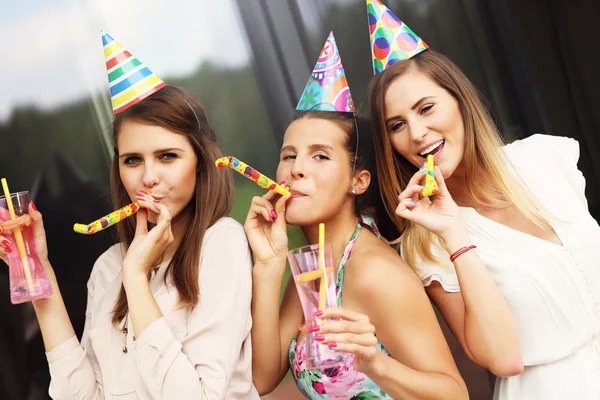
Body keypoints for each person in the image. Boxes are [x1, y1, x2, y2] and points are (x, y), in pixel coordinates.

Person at [0, 31, 258, 399]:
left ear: (201, 164)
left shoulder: (222, 242)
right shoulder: (108, 266)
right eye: (132, 160)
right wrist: (38, 269)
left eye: (167, 156)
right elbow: (80, 394)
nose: (148, 177)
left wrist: (136, 279)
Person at [366, 1, 600, 398]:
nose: (418, 133)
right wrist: (455, 233)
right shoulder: (426, 244)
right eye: (397, 126)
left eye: (426, 108)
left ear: (459, 99)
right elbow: (502, 359)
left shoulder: (545, 158)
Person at [246, 32, 467, 400]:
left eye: (319, 156)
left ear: (358, 181)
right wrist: (268, 264)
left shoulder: (372, 271)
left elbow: (455, 394)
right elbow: (261, 378)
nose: (296, 169)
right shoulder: (315, 266)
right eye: (289, 155)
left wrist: (375, 364)